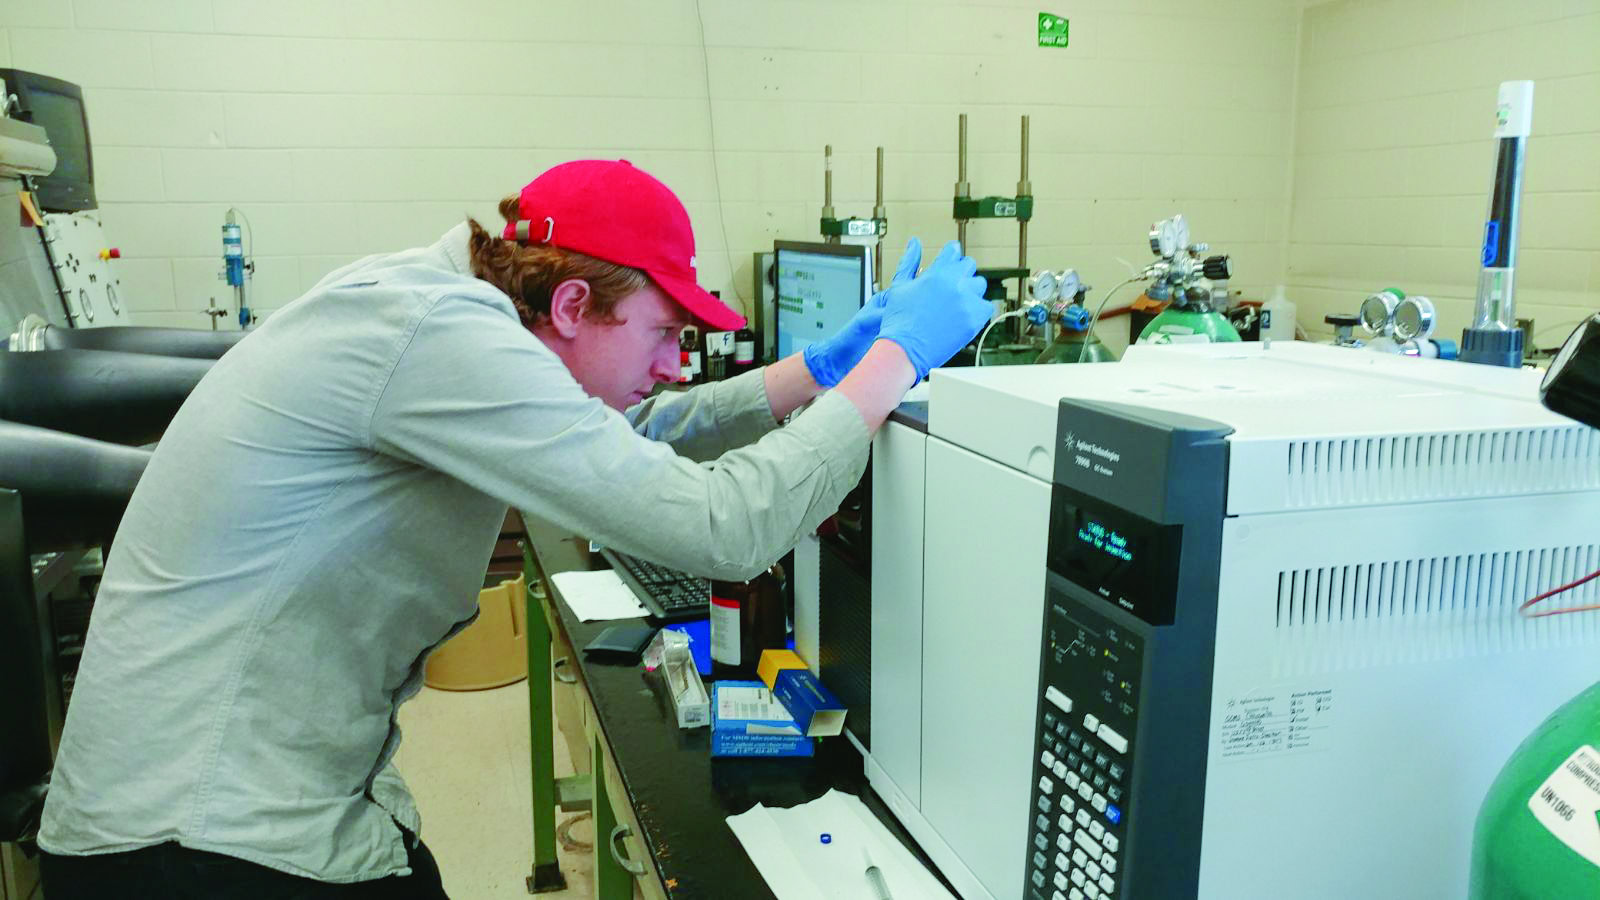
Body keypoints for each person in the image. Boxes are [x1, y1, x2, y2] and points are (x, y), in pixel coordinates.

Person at [35, 159, 991, 897]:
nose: (673, 363)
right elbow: (723, 525)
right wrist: (893, 369)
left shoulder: (443, 304)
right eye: (664, 334)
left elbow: (621, 428)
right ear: (573, 303)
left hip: (214, 805)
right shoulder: (442, 336)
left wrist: (813, 375)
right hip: (194, 841)